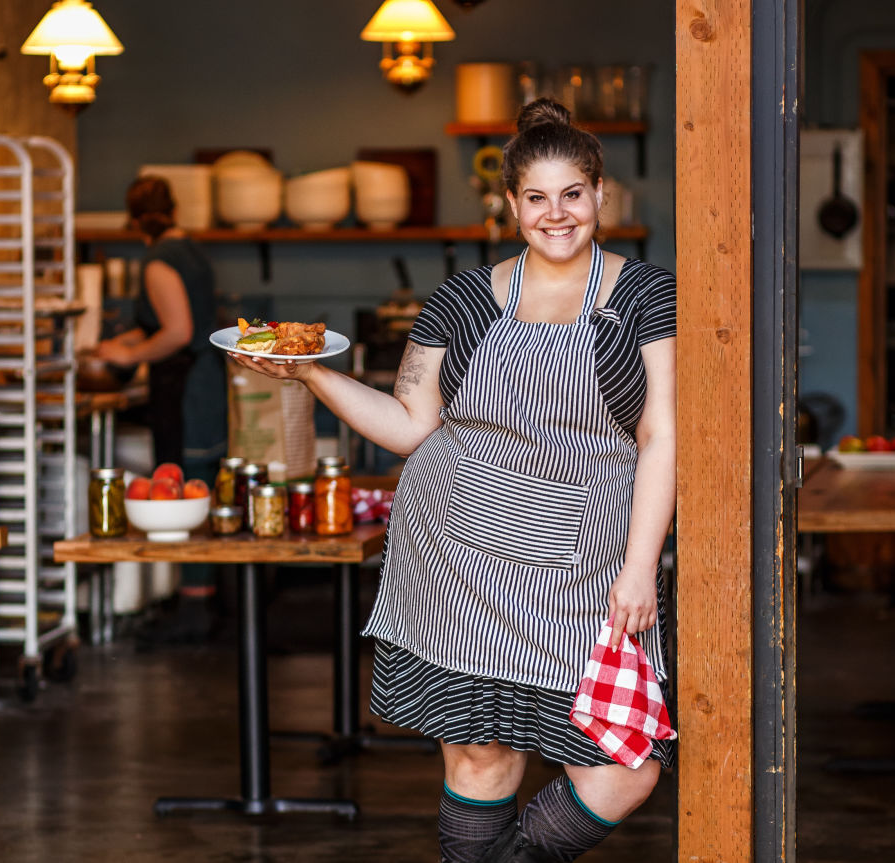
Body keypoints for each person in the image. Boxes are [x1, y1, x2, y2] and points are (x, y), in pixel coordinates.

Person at [231, 98, 676, 863]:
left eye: (573, 193)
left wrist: (642, 566)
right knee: (479, 756)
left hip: (586, 566)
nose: (557, 214)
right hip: (460, 553)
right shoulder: (463, 301)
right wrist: (308, 374)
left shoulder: (643, 296)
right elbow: (410, 423)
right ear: (512, 206)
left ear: (600, 193)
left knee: (624, 765)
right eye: (536, 198)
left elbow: (660, 431)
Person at [97, 175, 227, 642]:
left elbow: (175, 331)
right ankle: (205, 597)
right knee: (203, 481)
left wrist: (128, 356)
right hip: (207, 378)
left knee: (183, 485)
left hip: (184, 385)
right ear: (172, 209)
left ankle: (194, 612)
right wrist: (121, 342)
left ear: (134, 220)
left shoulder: (156, 263)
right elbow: (164, 324)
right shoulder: (192, 252)